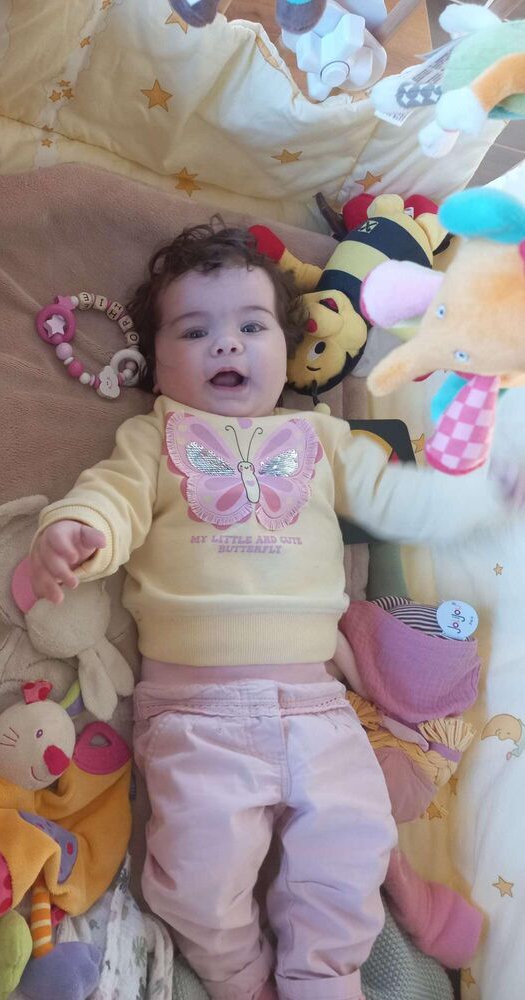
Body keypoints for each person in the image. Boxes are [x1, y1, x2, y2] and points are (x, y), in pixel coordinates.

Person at [27, 221, 518, 1000]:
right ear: (157, 365)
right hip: (197, 715)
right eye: (195, 331)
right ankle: (243, 978)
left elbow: (396, 498)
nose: (227, 343)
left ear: (287, 353)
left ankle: (324, 977)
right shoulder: (154, 439)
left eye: (251, 327)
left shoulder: (321, 437)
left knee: (352, 846)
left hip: (320, 706)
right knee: (194, 876)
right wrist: (77, 530)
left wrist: (478, 496)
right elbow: (110, 498)